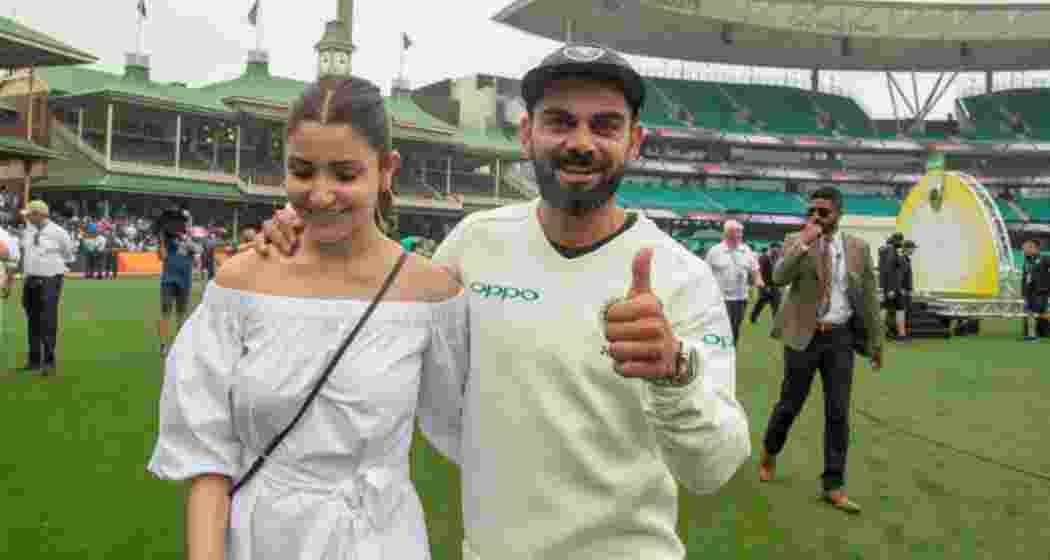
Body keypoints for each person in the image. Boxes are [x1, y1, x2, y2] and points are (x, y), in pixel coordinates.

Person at [257, 42, 750, 560]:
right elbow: (385, 325)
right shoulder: (474, 244)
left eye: (605, 125)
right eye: (559, 121)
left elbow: (711, 468)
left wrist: (673, 373)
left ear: (635, 142)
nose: (580, 143)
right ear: (525, 134)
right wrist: (312, 232)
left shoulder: (683, 277)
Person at [147, 76, 468, 560]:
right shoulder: (242, 283)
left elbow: (477, 424)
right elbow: (208, 456)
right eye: (302, 171)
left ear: (387, 169)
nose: (319, 195)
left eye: (344, 174)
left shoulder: (431, 293)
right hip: (263, 537)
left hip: (379, 539)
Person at [758, 186, 883, 514]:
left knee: (838, 412)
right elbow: (779, 277)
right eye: (810, 211)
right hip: (803, 336)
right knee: (790, 404)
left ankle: (834, 484)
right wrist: (804, 242)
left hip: (839, 338)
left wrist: (876, 342)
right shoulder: (794, 241)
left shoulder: (857, 248)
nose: (815, 217)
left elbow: (869, 296)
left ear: (838, 214)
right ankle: (770, 450)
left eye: (823, 212)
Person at [19, 200, 76, 375]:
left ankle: (49, 361)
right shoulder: (28, 231)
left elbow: (68, 254)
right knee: (32, 319)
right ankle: (34, 359)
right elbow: (25, 253)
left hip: (50, 279)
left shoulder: (59, 233)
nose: (26, 217)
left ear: (39, 215)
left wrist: (49, 266)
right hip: (30, 280)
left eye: (29, 214)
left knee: (48, 320)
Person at [706, 219, 763, 344]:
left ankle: (731, 351)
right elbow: (706, 273)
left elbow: (755, 270)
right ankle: (718, 351)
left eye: (741, 232)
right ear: (728, 233)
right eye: (737, 232)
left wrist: (759, 281)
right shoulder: (715, 251)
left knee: (735, 328)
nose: (740, 235)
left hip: (741, 298)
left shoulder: (746, 250)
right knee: (721, 327)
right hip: (721, 298)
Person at [156, 211, 201, 357]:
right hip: (168, 279)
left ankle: (179, 345)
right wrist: (162, 241)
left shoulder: (193, 238)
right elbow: (162, 257)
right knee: (165, 312)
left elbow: (196, 261)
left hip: (185, 279)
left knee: (181, 314)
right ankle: (163, 345)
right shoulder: (168, 238)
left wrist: (189, 245)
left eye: (187, 220)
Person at [1021, 238, 1050, 341]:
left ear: (1035, 248)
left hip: (1041, 291)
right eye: (1023, 248)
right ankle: (1031, 335)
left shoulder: (1044, 259)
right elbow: (1024, 278)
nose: (1024, 250)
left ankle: (1033, 335)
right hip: (1030, 292)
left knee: (1043, 314)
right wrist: (1023, 293)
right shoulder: (1027, 261)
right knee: (1030, 313)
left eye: (1027, 247)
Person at [750, 242, 783, 324]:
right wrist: (763, 286)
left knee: (776, 304)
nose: (777, 253)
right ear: (771, 249)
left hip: (775, 286)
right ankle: (753, 317)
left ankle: (776, 322)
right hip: (765, 285)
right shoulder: (763, 258)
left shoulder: (780, 258)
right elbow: (759, 272)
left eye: (778, 251)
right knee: (761, 303)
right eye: (775, 251)